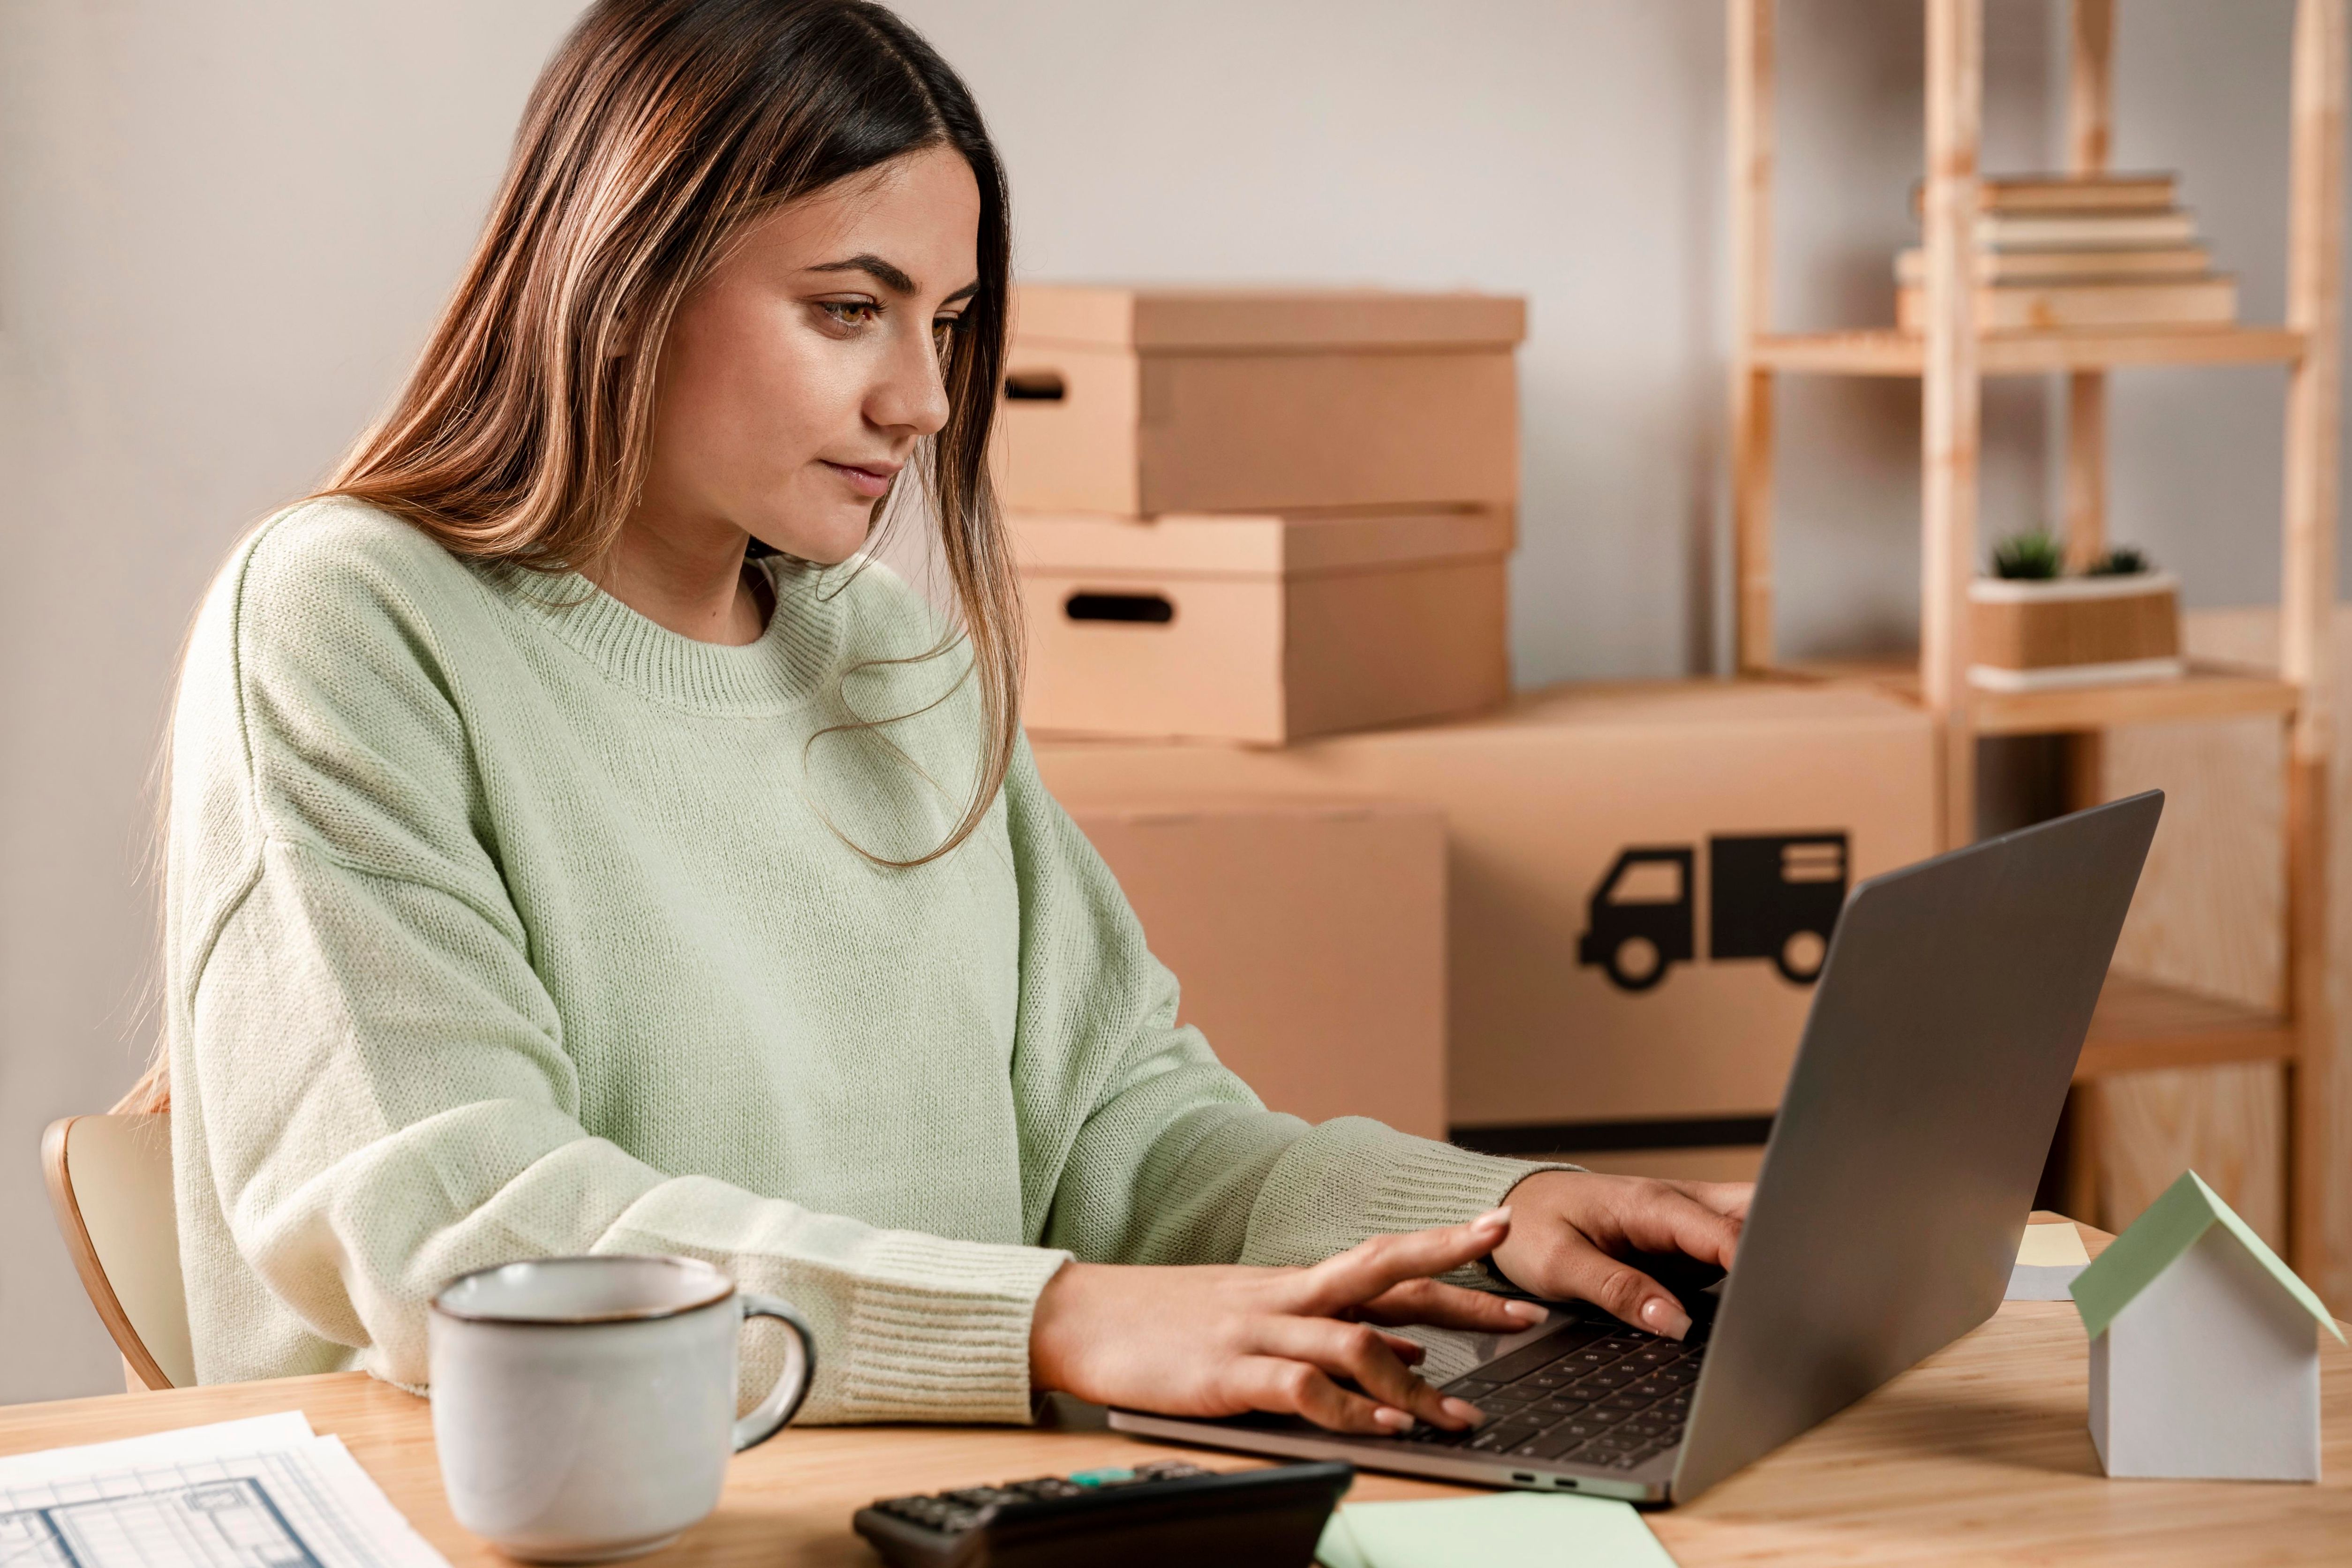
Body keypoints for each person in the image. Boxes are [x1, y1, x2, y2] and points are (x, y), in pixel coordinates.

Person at [139, 0, 1748, 1437]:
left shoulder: (887, 650)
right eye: (850, 309)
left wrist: (1498, 1214)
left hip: (921, 1502)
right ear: (622, 278)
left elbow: (1123, 1135)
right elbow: (473, 1229)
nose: (918, 399)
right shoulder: (348, 615)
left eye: (948, 323)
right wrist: (1053, 1320)